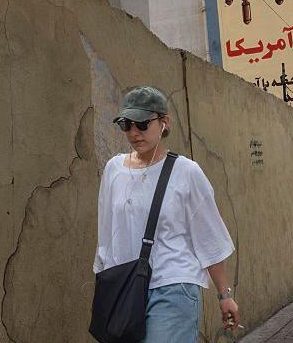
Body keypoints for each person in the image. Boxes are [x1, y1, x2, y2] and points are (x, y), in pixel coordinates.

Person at [94, 86, 240, 342]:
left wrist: (224, 295)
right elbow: (105, 233)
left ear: (164, 122)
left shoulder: (187, 172)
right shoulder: (113, 169)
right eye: (126, 124)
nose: (134, 132)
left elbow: (209, 237)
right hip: (125, 289)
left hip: (174, 284)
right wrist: (104, 282)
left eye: (142, 123)